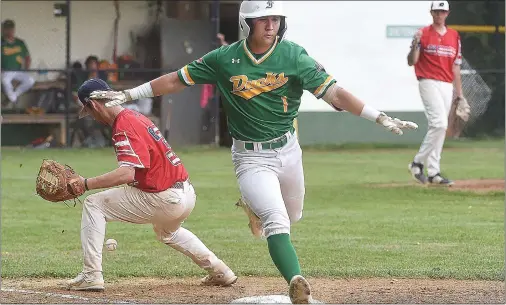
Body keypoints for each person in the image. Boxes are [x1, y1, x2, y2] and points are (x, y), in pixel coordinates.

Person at [89, 1, 418, 302]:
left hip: (288, 150)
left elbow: (335, 93)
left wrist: (378, 116)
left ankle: (253, 206)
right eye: (263, 19)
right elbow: (177, 80)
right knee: (277, 222)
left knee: (293, 216)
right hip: (251, 157)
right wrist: (129, 95)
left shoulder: (294, 56)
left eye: (275, 18)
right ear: (247, 23)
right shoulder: (224, 58)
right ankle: (296, 282)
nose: (271, 24)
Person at [64, 78, 237, 291]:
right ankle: (220, 270)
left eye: (89, 111)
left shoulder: (123, 125)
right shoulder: (136, 117)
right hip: (186, 193)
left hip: (164, 197)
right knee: (168, 232)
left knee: (93, 204)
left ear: (93, 104)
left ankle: (91, 275)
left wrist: (86, 183)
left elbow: (128, 173)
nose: (92, 116)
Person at [406, 0, 464, 185]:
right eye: (436, 12)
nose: (439, 15)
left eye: (442, 12)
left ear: (447, 13)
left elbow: (456, 67)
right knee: (439, 124)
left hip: (446, 84)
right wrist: (415, 44)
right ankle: (417, 162)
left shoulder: (454, 36)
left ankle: (433, 172)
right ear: (431, 13)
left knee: (439, 127)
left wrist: (460, 94)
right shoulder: (423, 33)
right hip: (427, 80)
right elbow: (412, 61)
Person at [1, 19, 35, 106]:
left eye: (11, 29)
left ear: (14, 29)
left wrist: (26, 69)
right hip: (6, 71)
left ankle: (12, 96)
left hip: (18, 70)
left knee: (30, 80)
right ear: (3, 30)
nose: (9, 31)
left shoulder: (20, 42)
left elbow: (27, 58)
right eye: (6, 29)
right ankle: (13, 97)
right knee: (5, 80)